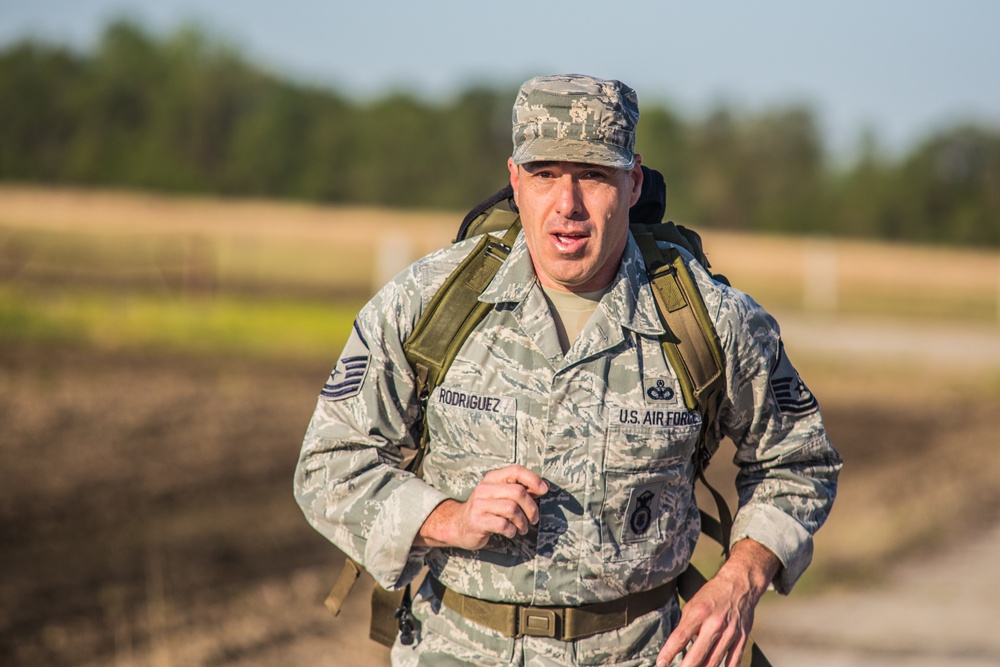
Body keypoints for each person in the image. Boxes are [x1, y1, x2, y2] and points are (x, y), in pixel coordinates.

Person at [295, 74, 841, 667]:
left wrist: (740, 582)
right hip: (454, 649)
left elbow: (799, 462)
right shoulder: (428, 304)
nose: (568, 204)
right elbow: (329, 463)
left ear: (632, 183)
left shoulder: (711, 321)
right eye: (546, 174)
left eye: (594, 175)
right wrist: (447, 519)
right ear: (515, 180)